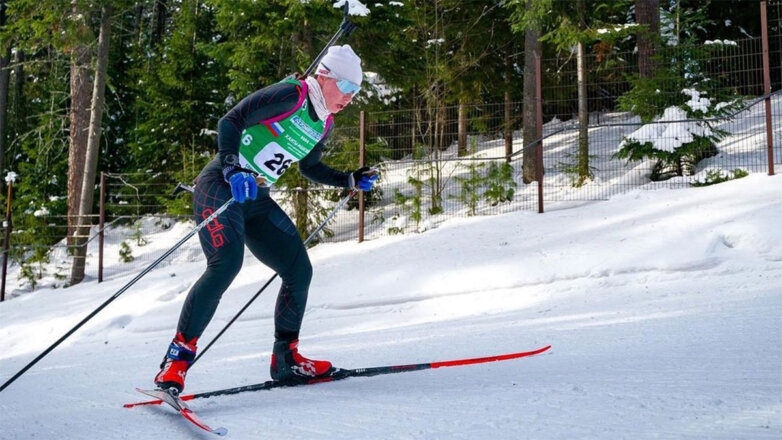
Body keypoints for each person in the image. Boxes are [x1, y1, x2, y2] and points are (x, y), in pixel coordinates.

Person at [154, 45, 378, 393]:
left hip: (255, 197)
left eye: (356, 90)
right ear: (324, 76)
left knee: (298, 270)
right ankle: (176, 362)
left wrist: (348, 179)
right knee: (226, 265)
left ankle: (286, 359)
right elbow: (230, 121)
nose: (350, 97)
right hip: (220, 185)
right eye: (346, 87)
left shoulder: (324, 123)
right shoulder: (292, 95)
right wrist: (232, 167)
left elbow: (309, 167)